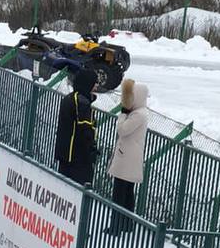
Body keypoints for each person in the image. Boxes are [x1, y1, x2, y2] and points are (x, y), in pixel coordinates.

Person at [107, 77, 149, 231]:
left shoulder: (138, 115)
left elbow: (122, 130)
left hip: (127, 159)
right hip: (129, 158)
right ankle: (126, 224)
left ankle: (116, 226)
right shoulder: (140, 112)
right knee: (127, 193)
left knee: (120, 194)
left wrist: (122, 115)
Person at [54, 66, 98, 186]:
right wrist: (91, 150)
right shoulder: (81, 102)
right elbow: (86, 130)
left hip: (65, 156)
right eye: (94, 83)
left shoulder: (70, 98)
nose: (96, 87)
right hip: (77, 159)